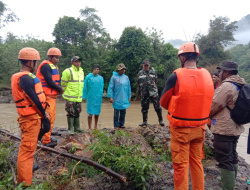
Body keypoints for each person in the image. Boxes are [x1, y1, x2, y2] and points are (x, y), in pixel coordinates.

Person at [160, 42, 214, 190]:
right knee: (196, 162)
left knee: (180, 166)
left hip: (181, 131)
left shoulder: (175, 77)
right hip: (200, 129)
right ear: (197, 57)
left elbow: (163, 102)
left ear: (182, 57)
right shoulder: (208, 76)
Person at [11, 47, 49, 186]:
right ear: (30, 62)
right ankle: (25, 183)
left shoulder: (24, 76)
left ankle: (27, 169)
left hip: (30, 118)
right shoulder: (25, 78)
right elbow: (34, 99)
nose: (36, 64)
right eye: (35, 61)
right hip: (30, 119)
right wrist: (44, 115)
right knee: (27, 150)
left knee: (29, 147)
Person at [210, 61, 246, 190]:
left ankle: (227, 187)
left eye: (221, 71)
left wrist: (206, 115)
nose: (219, 74)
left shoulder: (227, 86)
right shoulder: (242, 84)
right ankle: (231, 183)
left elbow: (213, 105)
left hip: (224, 128)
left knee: (224, 159)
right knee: (232, 155)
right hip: (236, 127)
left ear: (226, 72)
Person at [36, 47, 64, 147]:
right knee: (48, 118)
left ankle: (46, 137)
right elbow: (49, 81)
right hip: (46, 96)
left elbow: (54, 81)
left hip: (52, 96)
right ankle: (45, 140)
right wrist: (59, 89)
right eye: (55, 57)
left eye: (58, 57)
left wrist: (58, 88)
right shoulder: (46, 66)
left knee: (52, 117)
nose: (57, 59)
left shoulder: (53, 67)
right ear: (50, 57)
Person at [137, 59, 164, 127]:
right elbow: (139, 83)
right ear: (142, 66)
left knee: (157, 107)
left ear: (149, 65)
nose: (146, 67)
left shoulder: (153, 72)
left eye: (147, 65)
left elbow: (156, 81)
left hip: (153, 92)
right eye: (145, 65)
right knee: (144, 108)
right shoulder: (139, 73)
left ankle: (161, 121)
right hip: (144, 93)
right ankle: (144, 122)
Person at [61, 56, 84, 134]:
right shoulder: (67, 71)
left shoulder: (81, 71)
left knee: (77, 112)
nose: (78, 63)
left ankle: (77, 127)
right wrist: (64, 94)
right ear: (72, 62)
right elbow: (63, 84)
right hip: (70, 97)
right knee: (70, 113)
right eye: (76, 61)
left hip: (78, 97)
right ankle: (70, 129)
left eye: (79, 62)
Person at [107, 63, 131, 130]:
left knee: (123, 111)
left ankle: (121, 124)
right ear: (119, 70)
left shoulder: (126, 77)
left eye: (124, 69)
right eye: (122, 69)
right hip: (116, 97)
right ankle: (116, 125)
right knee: (116, 112)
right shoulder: (114, 77)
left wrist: (129, 96)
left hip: (124, 97)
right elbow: (111, 87)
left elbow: (128, 87)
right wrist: (110, 97)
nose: (123, 70)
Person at [83, 64, 104, 130]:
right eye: (95, 69)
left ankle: (95, 126)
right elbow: (85, 87)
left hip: (98, 98)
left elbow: (101, 88)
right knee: (89, 113)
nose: (96, 70)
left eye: (98, 69)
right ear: (93, 70)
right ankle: (89, 127)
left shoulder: (101, 78)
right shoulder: (88, 77)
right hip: (90, 97)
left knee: (97, 113)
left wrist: (101, 96)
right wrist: (84, 96)